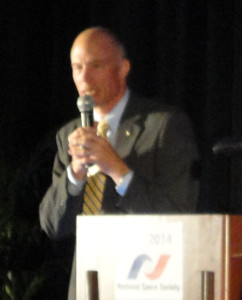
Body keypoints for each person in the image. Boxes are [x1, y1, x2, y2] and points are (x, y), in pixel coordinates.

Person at [39, 26, 200, 300]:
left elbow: (179, 215)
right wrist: (75, 174)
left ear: (123, 68)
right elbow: (53, 225)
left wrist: (118, 170)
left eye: (96, 66)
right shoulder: (69, 136)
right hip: (86, 287)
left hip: (147, 284)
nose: (84, 77)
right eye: (77, 68)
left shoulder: (164, 126)